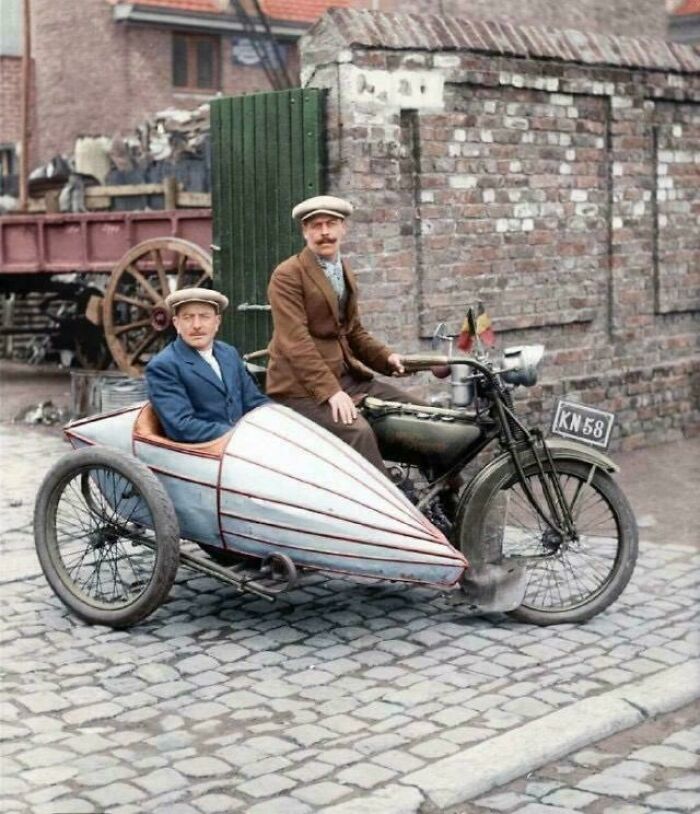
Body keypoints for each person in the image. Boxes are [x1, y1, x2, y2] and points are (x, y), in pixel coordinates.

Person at [266, 195, 422, 473]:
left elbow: (353, 331)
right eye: (316, 226)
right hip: (301, 388)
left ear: (343, 228)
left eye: (331, 224)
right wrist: (329, 392)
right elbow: (295, 342)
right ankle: (384, 508)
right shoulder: (288, 275)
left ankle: (445, 496)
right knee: (357, 432)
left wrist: (388, 358)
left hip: (347, 377)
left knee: (422, 415)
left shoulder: (343, 270)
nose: (324, 232)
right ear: (305, 232)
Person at [145, 288, 269, 443]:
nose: (196, 325)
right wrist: (242, 435)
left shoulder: (228, 353)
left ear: (217, 322)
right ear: (176, 324)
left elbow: (254, 401)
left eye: (204, 317)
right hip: (204, 455)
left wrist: (278, 419)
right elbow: (182, 427)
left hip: (240, 446)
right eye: (188, 317)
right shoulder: (164, 366)